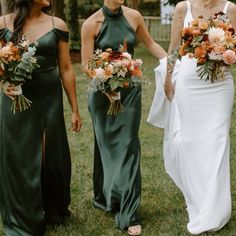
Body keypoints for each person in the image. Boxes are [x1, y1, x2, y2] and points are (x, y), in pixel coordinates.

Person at [81, 0, 166, 235]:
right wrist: (105, 79)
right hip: (102, 95)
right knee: (107, 148)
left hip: (129, 93)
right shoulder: (91, 24)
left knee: (128, 146)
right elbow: (86, 65)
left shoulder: (135, 16)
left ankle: (129, 213)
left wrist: (171, 63)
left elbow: (150, 43)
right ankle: (108, 196)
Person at [0, 0, 82, 235]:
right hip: (15, 99)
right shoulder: (3, 24)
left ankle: (50, 206)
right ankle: (21, 213)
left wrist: (74, 108)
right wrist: (5, 82)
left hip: (48, 99)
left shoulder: (58, 24)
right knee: (18, 156)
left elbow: (66, 68)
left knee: (48, 158)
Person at [163, 0, 236, 234]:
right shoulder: (183, 8)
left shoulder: (231, 9)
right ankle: (198, 195)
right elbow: (174, 48)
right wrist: (168, 77)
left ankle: (216, 207)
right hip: (190, 84)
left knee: (218, 142)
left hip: (220, 84)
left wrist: (222, 50)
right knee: (192, 141)